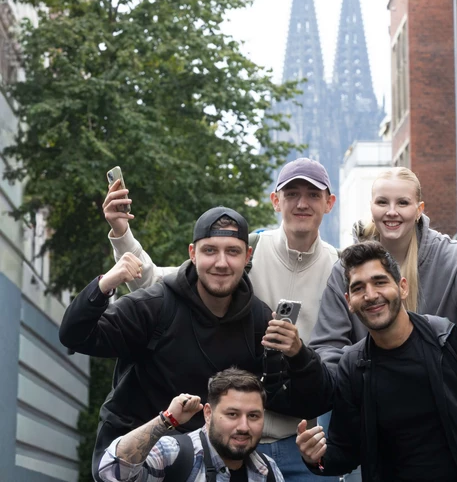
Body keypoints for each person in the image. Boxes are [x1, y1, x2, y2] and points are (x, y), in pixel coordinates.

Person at [102, 158, 340, 481]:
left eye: (313, 195)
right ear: (275, 201)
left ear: (329, 203)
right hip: (231, 444)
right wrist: (121, 233)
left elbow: (345, 357)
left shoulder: (341, 270)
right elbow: (158, 282)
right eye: (292, 193)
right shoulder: (246, 248)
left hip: (300, 444)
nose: (302, 203)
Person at [60, 207, 324, 478]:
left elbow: (287, 397)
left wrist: (299, 353)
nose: (221, 263)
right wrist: (105, 285)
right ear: (192, 254)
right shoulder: (155, 306)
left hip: (209, 463)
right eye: (210, 250)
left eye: (232, 252)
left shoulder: (259, 320)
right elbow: (75, 335)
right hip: (137, 459)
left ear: (247, 256)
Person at [296, 241, 457, 481]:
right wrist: (315, 458)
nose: (371, 295)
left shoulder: (444, 339)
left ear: (403, 287)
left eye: (380, 282)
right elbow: (346, 451)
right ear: (349, 301)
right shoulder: (353, 366)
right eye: (359, 288)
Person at [309, 167, 457, 369]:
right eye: (382, 202)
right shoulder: (347, 268)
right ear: (371, 207)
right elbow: (327, 347)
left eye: (403, 203)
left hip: (438, 390)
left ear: (419, 209)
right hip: (368, 392)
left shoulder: (448, 255)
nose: (392, 212)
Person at [97, 368, 285, 482]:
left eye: (253, 416)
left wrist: (315, 463)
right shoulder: (175, 454)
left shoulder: (268, 470)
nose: (243, 426)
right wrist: (166, 420)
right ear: (208, 414)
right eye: (232, 414)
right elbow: (110, 471)